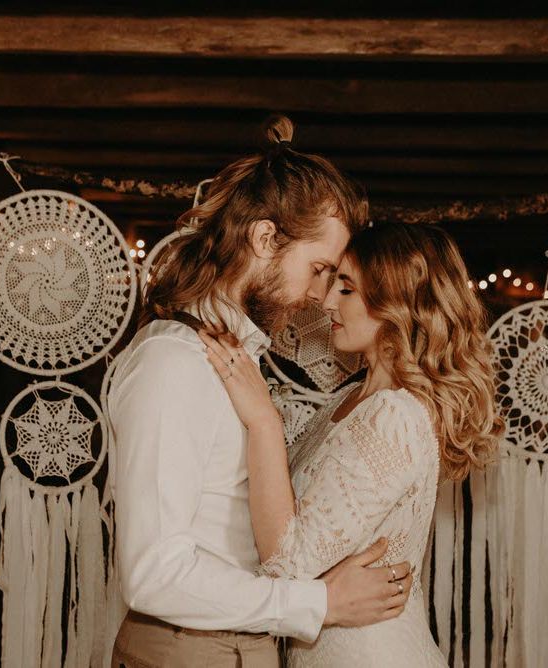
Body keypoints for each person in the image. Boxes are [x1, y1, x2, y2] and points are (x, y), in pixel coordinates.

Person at [107, 117, 414, 668]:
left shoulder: (230, 357)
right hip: (187, 651)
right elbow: (154, 574)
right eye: (319, 269)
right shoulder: (173, 364)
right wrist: (318, 602)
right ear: (266, 238)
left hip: (233, 645)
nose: (321, 297)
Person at [199, 221, 504, 666]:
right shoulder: (352, 396)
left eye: (346, 289)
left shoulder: (395, 415)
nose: (325, 302)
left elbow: (290, 565)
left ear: (396, 304)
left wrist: (263, 420)